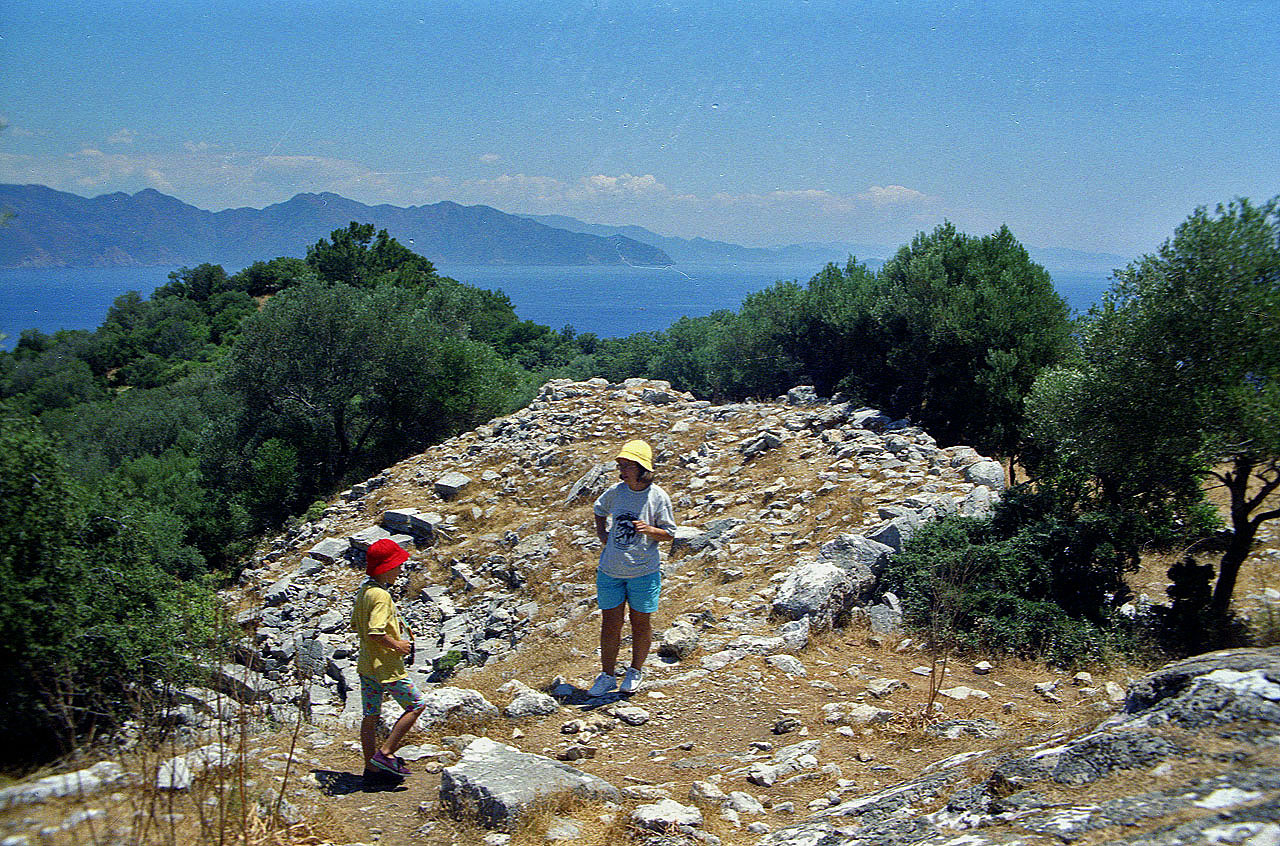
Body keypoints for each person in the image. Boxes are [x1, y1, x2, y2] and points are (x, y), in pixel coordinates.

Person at [588, 439, 676, 696]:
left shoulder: (658, 497)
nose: (621, 470)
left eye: (627, 465)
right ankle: (607, 675)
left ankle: (635, 670)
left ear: (642, 467)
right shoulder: (616, 492)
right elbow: (598, 509)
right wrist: (602, 534)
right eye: (620, 465)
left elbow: (669, 533)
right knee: (610, 624)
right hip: (610, 571)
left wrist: (649, 530)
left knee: (641, 623)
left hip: (643, 572)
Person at [350, 537, 425, 779]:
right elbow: (375, 631)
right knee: (416, 705)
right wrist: (398, 645)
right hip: (387, 665)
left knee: (371, 715)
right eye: (398, 565)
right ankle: (386, 751)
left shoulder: (365, 591)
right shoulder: (382, 596)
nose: (401, 569)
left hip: (366, 664)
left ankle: (371, 768)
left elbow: (356, 625)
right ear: (386, 567)